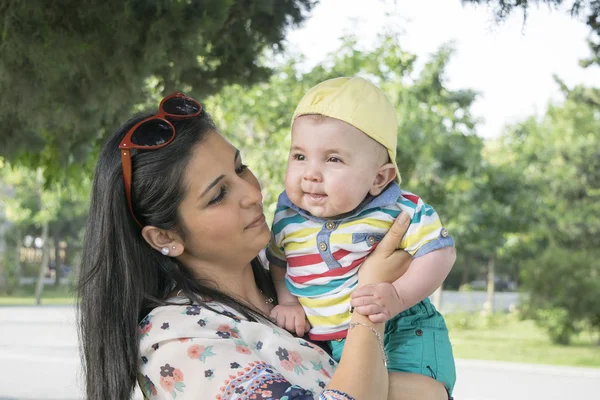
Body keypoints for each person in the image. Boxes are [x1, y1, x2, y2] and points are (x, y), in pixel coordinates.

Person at [77, 92, 450, 400]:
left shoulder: (292, 276)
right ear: (166, 237)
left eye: (241, 168)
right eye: (218, 195)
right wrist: (369, 306)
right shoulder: (176, 339)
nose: (253, 194)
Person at [266, 77, 457, 396]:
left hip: (403, 328)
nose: (311, 172)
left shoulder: (397, 210)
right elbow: (279, 261)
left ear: (378, 178)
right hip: (328, 341)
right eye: (299, 156)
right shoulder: (287, 214)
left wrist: (397, 295)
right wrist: (288, 302)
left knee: (411, 392)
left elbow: (440, 252)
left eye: (333, 159)